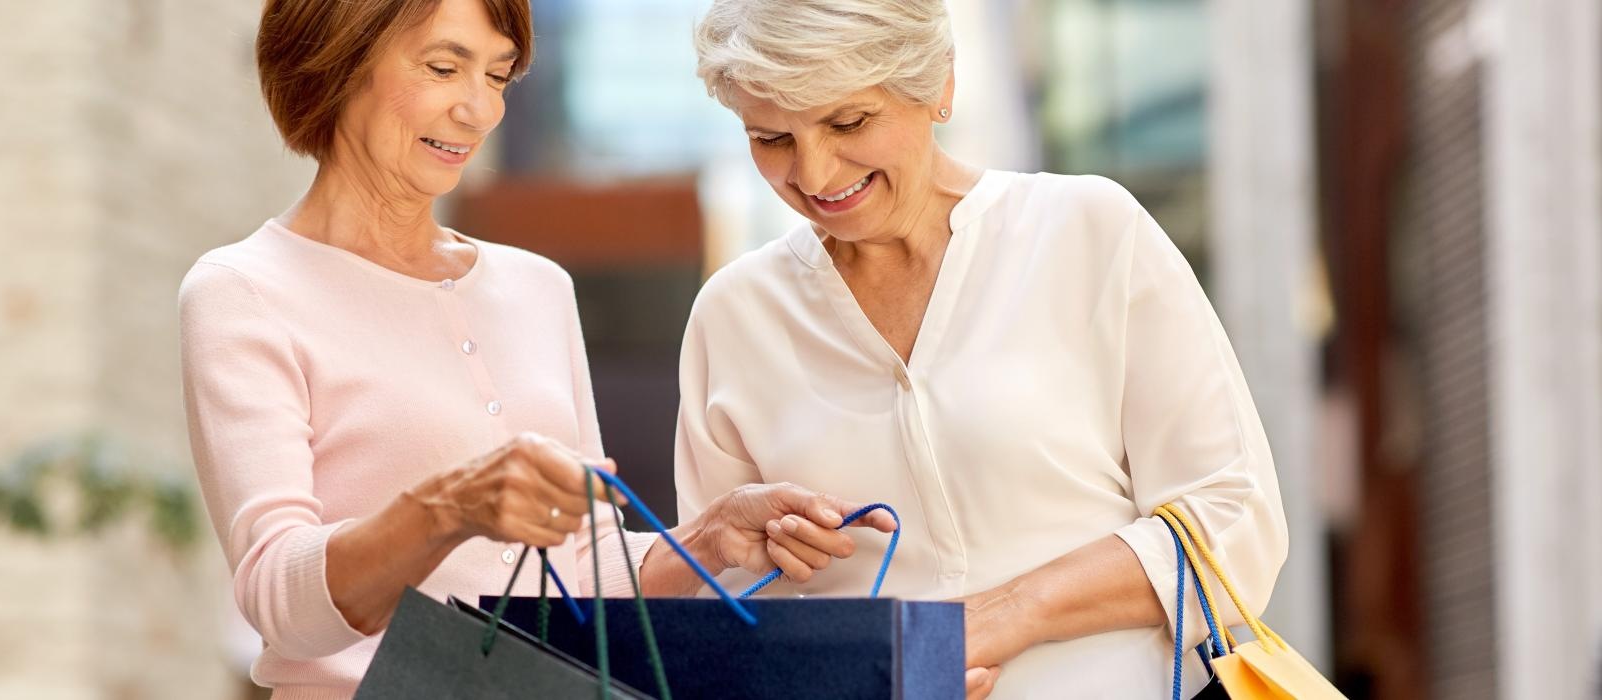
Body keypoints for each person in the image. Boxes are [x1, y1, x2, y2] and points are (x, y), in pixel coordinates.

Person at [180, 1, 893, 696]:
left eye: (496, 76)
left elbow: (582, 577)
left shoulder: (538, 287)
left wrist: (708, 538)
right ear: (336, 60)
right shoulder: (245, 291)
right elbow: (278, 602)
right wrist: (446, 509)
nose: (480, 111)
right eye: (443, 67)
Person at [679, 1, 1289, 697]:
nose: (814, 175)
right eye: (772, 139)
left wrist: (996, 618)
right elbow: (716, 617)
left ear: (939, 83)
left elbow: (1233, 525)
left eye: (848, 122)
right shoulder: (733, 315)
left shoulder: (1088, 232)